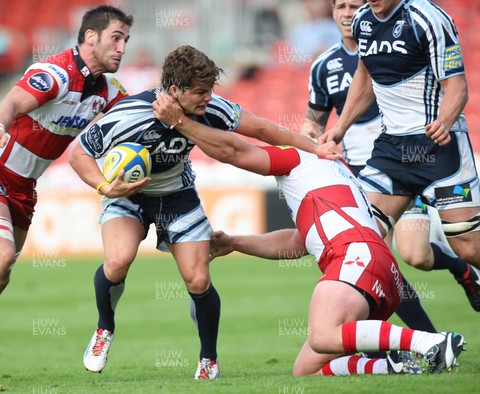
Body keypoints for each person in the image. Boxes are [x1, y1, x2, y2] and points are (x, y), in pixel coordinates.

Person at [69, 45, 341, 380]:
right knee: (117, 261)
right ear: (174, 91)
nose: (207, 98)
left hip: (176, 196)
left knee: (198, 279)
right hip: (127, 197)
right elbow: (79, 154)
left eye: (210, 90)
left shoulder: (211, 107)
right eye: (200, 92)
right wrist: (105, 187)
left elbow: (262, 130)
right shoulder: (128, 114)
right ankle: (104, 329)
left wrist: (314, 147)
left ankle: (208, 358)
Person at [151, 91, 467, 376]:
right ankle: (391, 365)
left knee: (322, 335)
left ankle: (433, 342)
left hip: (354, 258)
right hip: (379, 268)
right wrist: (234, 243)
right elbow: (298, 242)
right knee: (307, 368)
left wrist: (180, 122)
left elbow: (232, 152)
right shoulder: (330, 171)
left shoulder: (297, 156)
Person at [0, 5, 134, 385]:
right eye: (116, 38)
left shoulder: (108, 90)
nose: (122, 47)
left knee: (1, 272)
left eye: (125, 40)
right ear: (90, 37)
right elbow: (9, 103)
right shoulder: (55, 73)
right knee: (0, 253)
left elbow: (136, 117)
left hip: (25, 186)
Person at [303, 1, 477, 336]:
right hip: (390, 153)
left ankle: (463, 274)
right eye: (343, 4)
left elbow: (457, 86)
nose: (355, 8)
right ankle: (409, 340)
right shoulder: (363, 24)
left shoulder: (428, 18)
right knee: (360, 245)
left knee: (461, 248)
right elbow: (364, 78)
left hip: (437, 148)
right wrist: (340, 127)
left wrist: (444, 121)